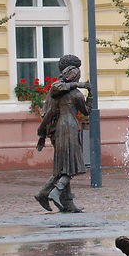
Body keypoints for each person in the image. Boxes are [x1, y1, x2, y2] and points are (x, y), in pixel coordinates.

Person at [34, 54, 91, 213]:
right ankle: (54, 192)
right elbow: (86, 112)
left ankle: (62, 201)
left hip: (56, 130)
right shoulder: (74, 93)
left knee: (62, 166)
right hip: (70, 129)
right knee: (71, 165)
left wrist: (42, 134)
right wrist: (89, 92)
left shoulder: (54, 93)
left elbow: (48, 113)